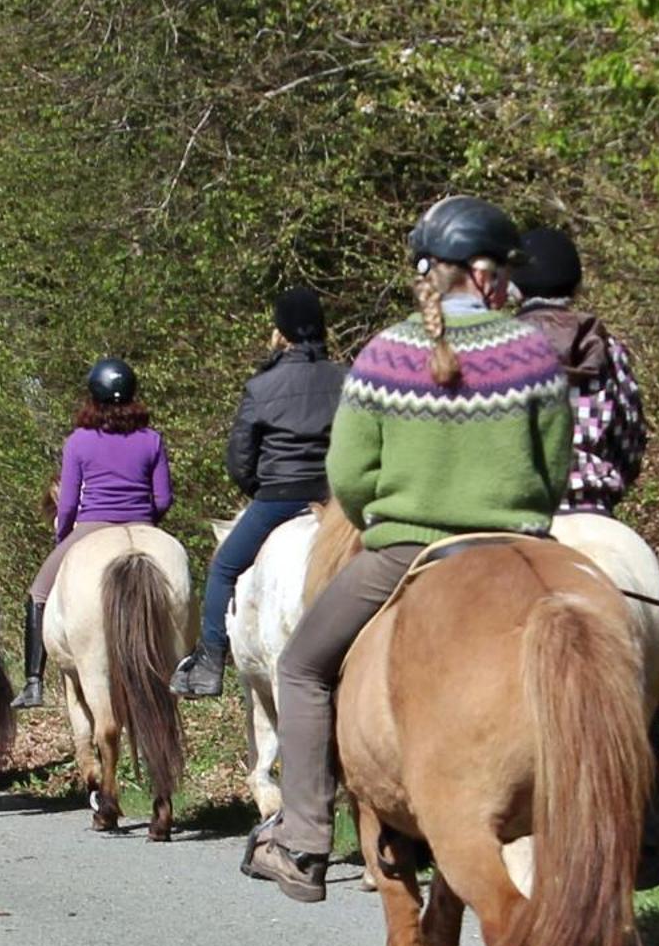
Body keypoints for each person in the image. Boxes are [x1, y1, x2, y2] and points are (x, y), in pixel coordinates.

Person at [240, 195, 573, 903]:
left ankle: (301, 839)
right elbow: (553, 467)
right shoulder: (533, 351)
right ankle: (645, 817)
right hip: (518, 549)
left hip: (404, 553)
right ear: (487, 275)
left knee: (300, 666)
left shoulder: (386, 353)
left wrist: (386, 520)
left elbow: (350, 478)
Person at [170, 287, 346, 699]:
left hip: (279, 498)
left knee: (224, 568)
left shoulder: (262, 386)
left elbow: (240, 458)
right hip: (335, 500)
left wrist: (259, 490)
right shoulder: (347, 378)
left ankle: (211, 662)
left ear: (280, 333)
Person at [11, 358, 173, 707]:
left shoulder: (79, 441)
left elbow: (67, 504)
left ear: (93, 396)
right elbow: (163, 498)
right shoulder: (152, 440)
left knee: (38, 594)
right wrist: (146, 521)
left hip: (91, 526)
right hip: (143, 524)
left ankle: (33, 682)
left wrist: (64, 538)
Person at [513, 225, 647, 514]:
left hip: (519, 509)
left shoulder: (497, 351)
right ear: (577, 287)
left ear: (513, 289)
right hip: (592, 505)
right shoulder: (608, 348)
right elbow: (631, 433)